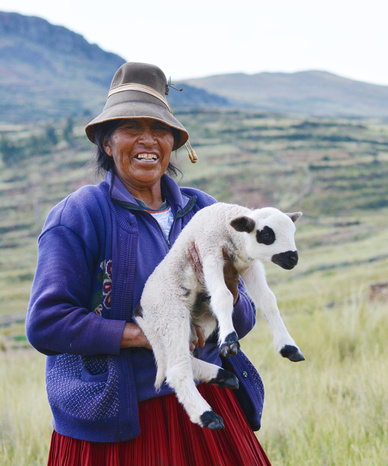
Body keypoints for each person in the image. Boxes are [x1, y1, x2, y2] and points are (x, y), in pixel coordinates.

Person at [25, 62, 270, 465]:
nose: (148, 140)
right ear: (107, 143)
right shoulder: (79, 215)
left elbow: (241, 323)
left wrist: (228, 285)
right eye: (131, 128)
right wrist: (145, 334)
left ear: (173, 143)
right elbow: (46, 323)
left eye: (159, 129)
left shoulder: (205, 212)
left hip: (205, 405)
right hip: (118, 420)